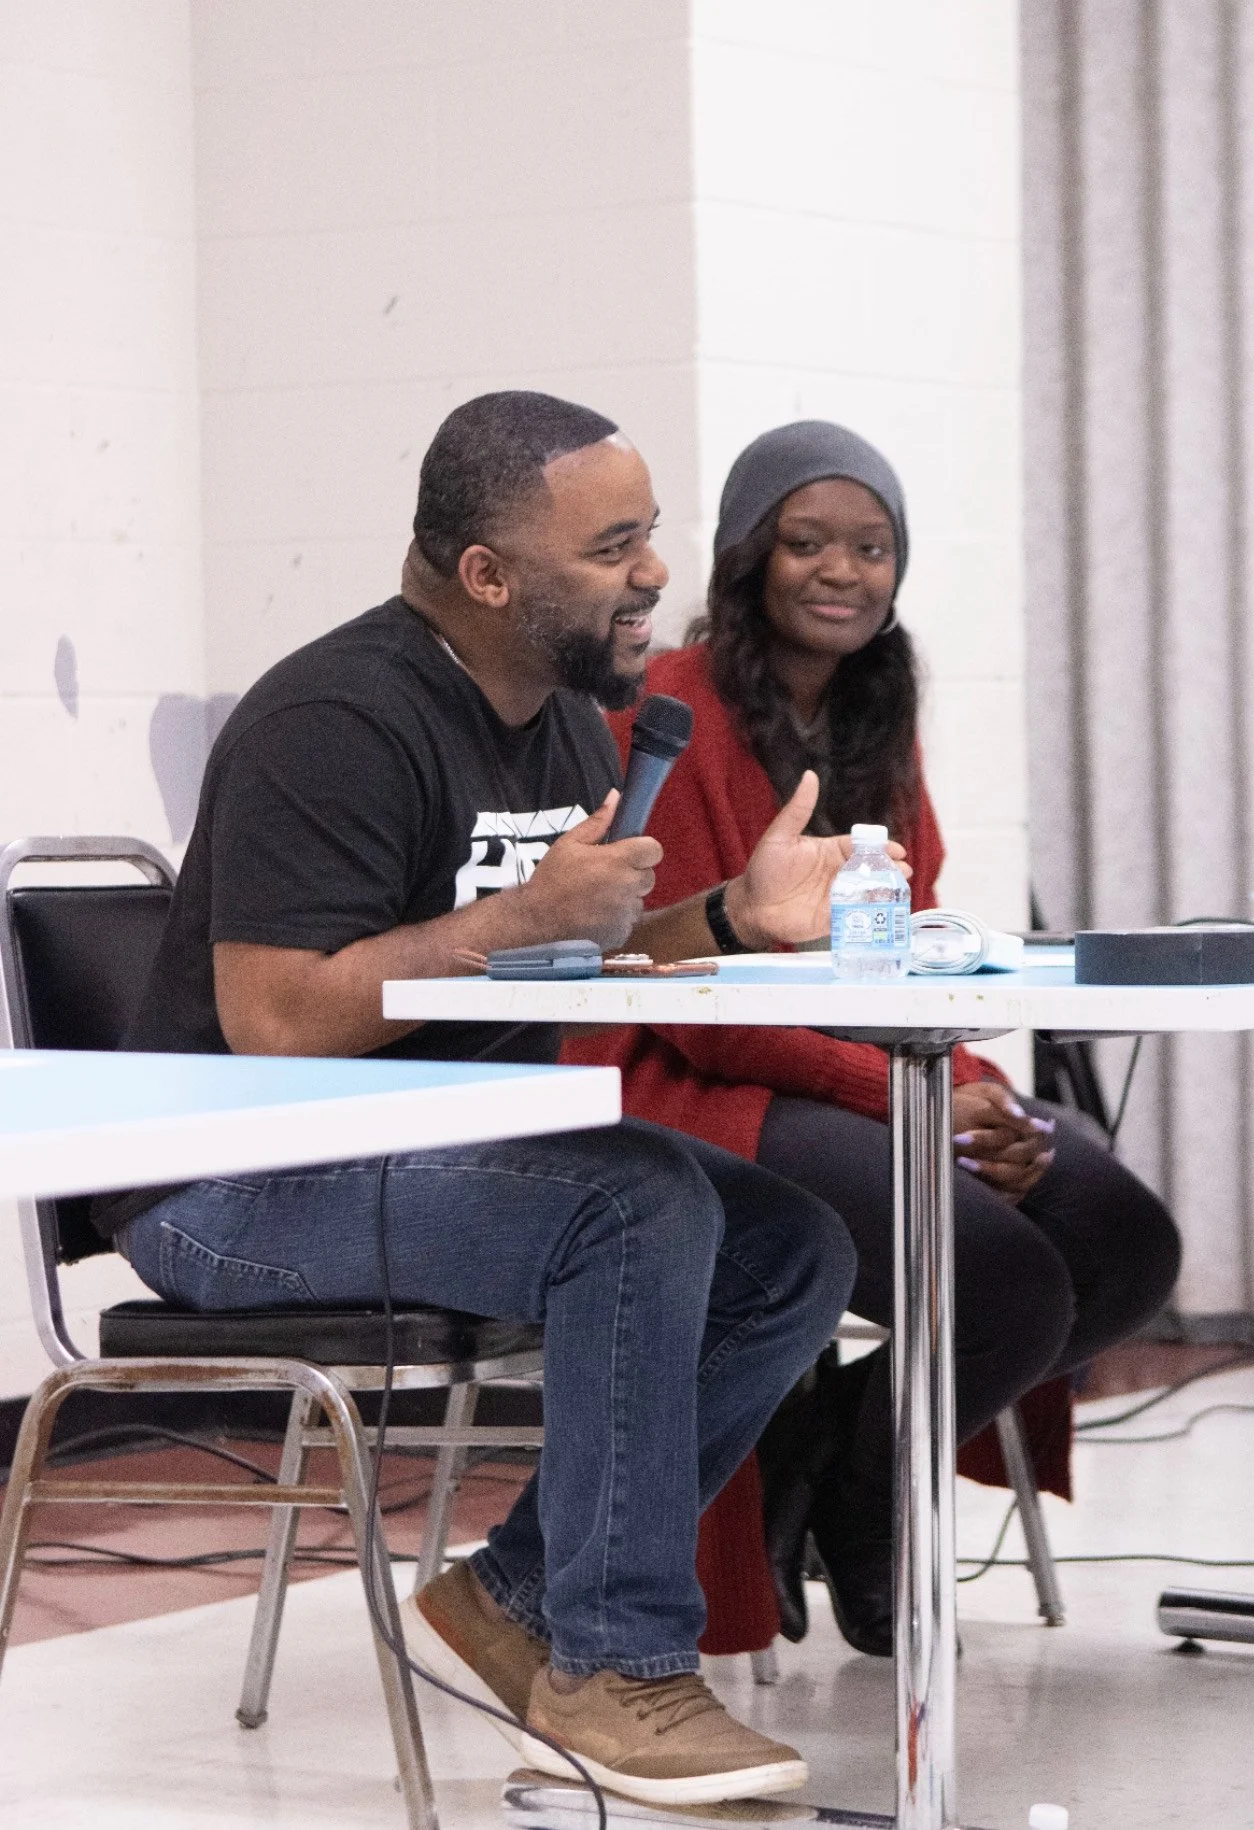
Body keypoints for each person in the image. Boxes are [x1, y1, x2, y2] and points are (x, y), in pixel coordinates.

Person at [93, 394, 863, 1806]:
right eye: (612, 544)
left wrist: (731, 922)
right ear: (488, 575)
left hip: (434, 1160)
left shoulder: (562, 718)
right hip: (226, 1184)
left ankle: (516, 1598)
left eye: (648, 535)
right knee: (634, 1202)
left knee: (792, 1241)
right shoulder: (332, 718)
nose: (651, 573)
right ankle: (614, 1667)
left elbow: (579, 938)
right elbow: (271, 1021)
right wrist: (513, 923)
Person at [563, 419, 1182, 1657]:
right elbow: (691, 992)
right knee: (1003, 1278)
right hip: (683, 1081)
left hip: (857, 1068)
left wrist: (969, 1088)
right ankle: (871, 1500)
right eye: (808, 543)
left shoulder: (877, 717)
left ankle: (827, 1452)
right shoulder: (670, 715)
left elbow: (918, 950)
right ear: (749, 558)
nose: (843, 570)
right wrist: (905, 1094)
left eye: (872, 547)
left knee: (1120, 1238)